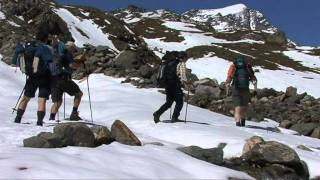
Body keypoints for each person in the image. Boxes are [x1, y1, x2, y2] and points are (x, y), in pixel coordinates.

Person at [13, 31, 53, 126]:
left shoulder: (27, 47)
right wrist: (55, 73)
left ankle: (18, 119)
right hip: (44, 77)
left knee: (26, 97)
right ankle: (39, 122)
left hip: (31, 77)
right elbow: (50, 62)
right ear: (46, 39)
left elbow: (14, 61)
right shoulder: (44, 48)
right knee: (42, 99)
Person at [49, 41, 84, 121]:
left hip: (54, 79)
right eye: (74, 49)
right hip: (64, 79)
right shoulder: (68, 53)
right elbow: (71, 65)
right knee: (79, 94)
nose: (73, 51)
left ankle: (51, 118)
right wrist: (79, 65)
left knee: (58, 101)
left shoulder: (55, 54)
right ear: (71, 47)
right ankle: (74, 114)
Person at [153, 51, 190, 123]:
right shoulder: (181, 64)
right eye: (187, 57)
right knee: (179, 102)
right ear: (183, 57)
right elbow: (182, 76)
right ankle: (175, 117)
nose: (187, 59)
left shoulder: (169, 63)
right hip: (175, 85)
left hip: (167, 85)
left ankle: (157, 113)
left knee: (169, 102)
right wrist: (187, 83)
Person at [225, 56, 257, 127]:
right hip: (245, 89)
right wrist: (255, 89)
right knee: (244, 106)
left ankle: (237, 123)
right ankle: (243, 121)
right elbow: (253, 78)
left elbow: (229, 78)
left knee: (237, 107)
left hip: (235, 89)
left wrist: (227, 89)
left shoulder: (233, 66)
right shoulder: (247, 66)